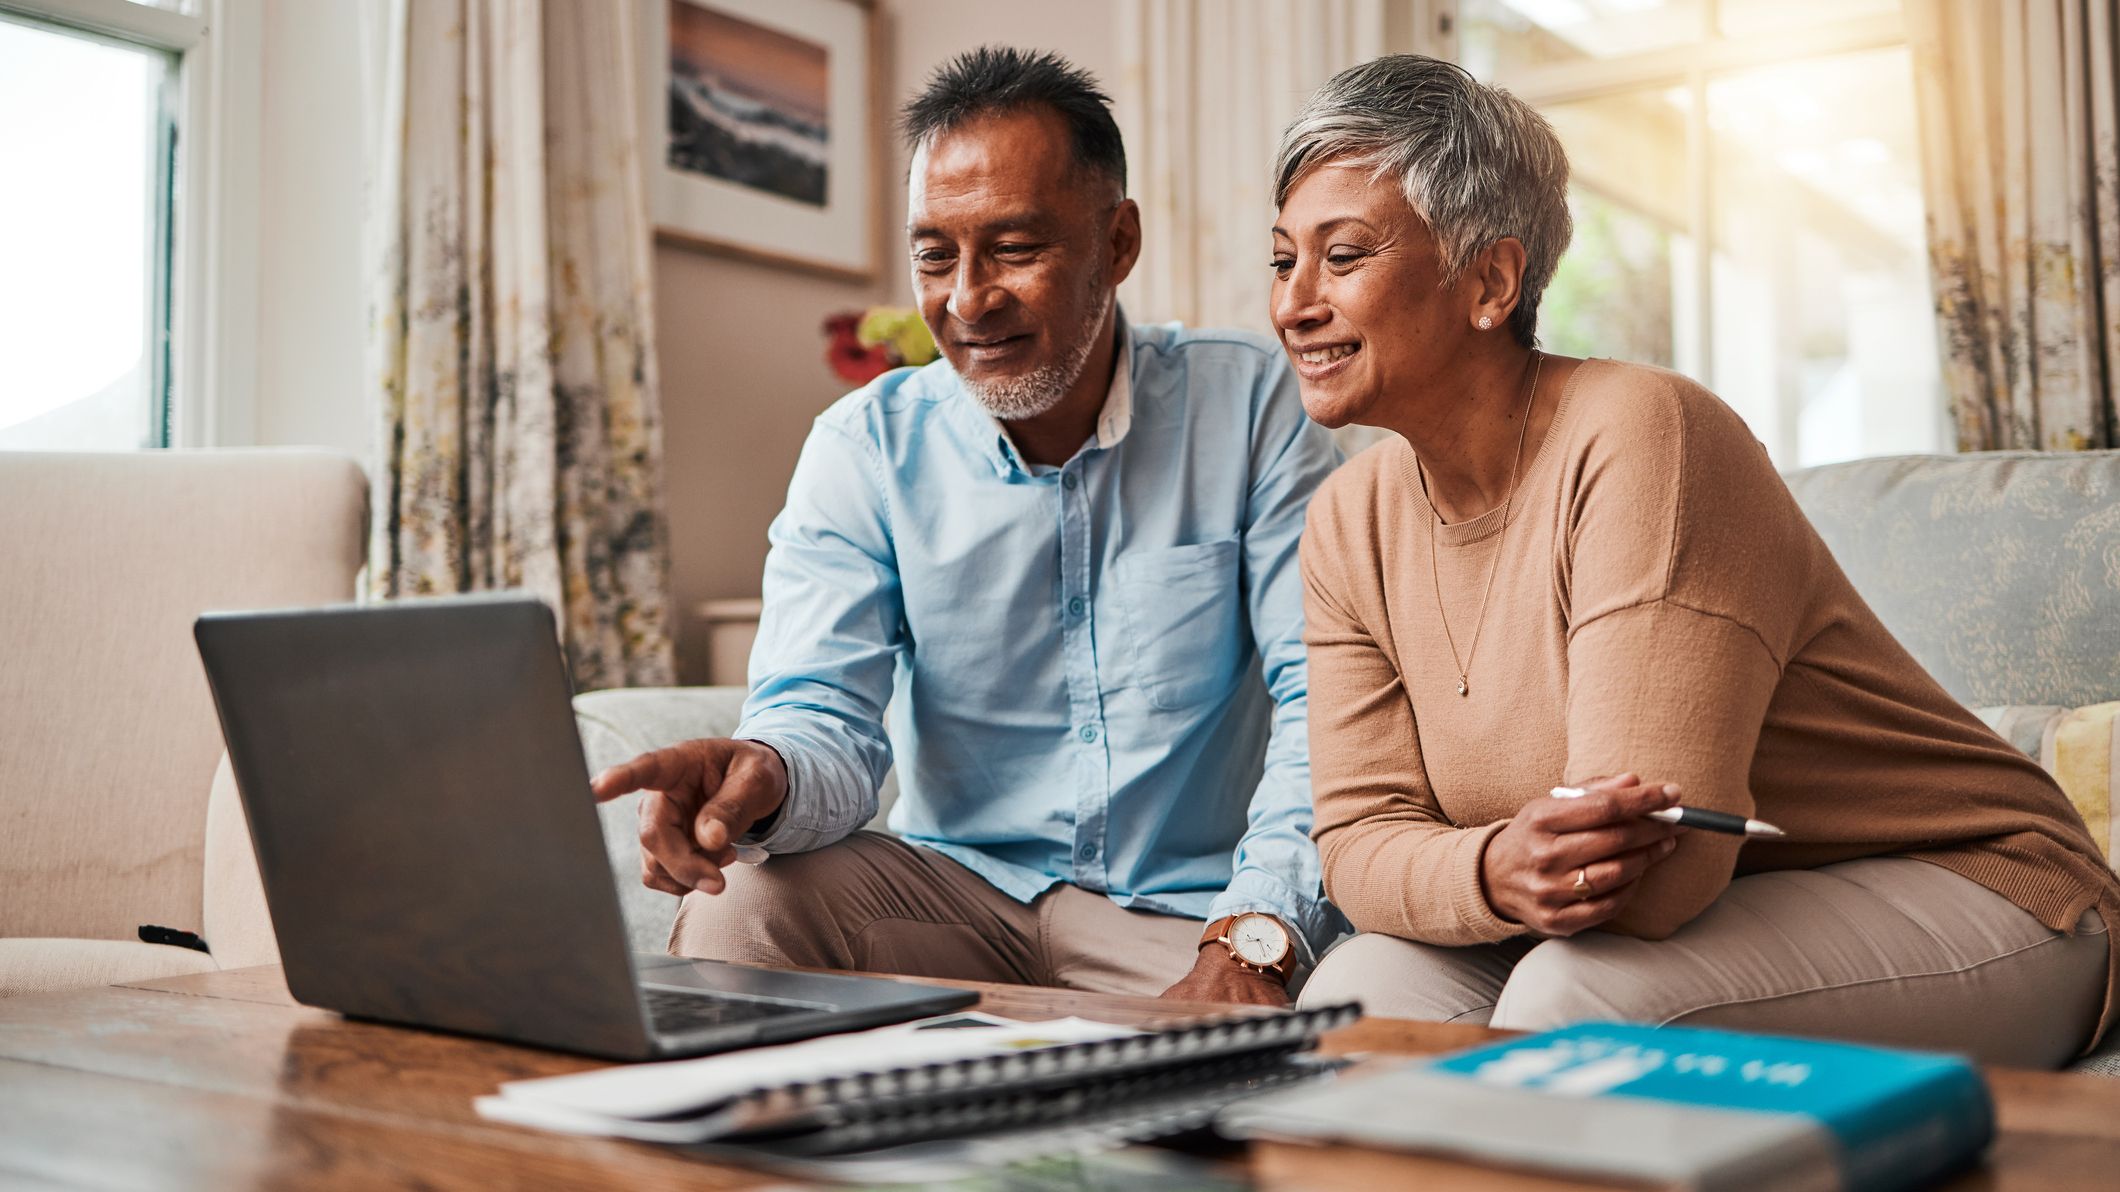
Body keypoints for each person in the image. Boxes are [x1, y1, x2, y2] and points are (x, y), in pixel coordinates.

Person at [1274, 54, 2117, 1066]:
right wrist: (1495, 868)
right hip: (1707, 915)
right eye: (1282, 260)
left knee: (1571, 1001)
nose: (1294, 303)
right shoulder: (1345, 519)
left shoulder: (1645, 434)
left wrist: (1473, 870)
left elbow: (1656, 879)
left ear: (1489, 280)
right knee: (1355, 999)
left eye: (1344, 255)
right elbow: (1356, 845)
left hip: (1980, 887)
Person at [593, 48, 1341, 1005]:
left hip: (1189, 916)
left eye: (1016, 248)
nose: (967, 299)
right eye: (935, 255)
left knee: (1350, 1006)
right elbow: (823, 713)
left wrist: (1252, 940)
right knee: (744, 902)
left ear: (1117, 245)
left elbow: (1326, 703)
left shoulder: (1249, 406)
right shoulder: (863, 447)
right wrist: (763, 770)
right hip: (955, 901)